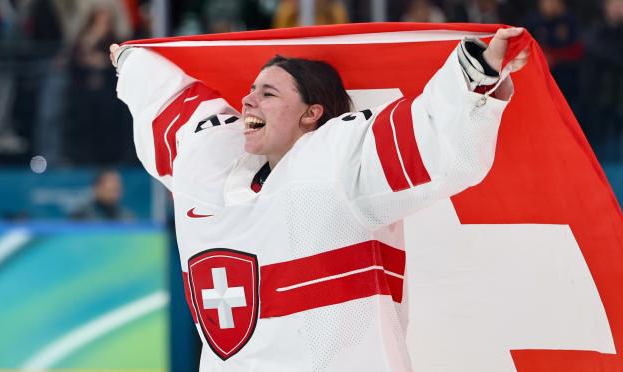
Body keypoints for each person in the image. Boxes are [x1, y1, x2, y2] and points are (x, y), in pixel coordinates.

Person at [110, 27, 528, 371]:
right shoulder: (207, 164)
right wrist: (130, 63)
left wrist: (478, 69)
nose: (247, 99)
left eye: (268, 93)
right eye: (251, 89)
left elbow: (430, 140)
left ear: (311, 114)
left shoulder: (338, 164)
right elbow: (171, 108)